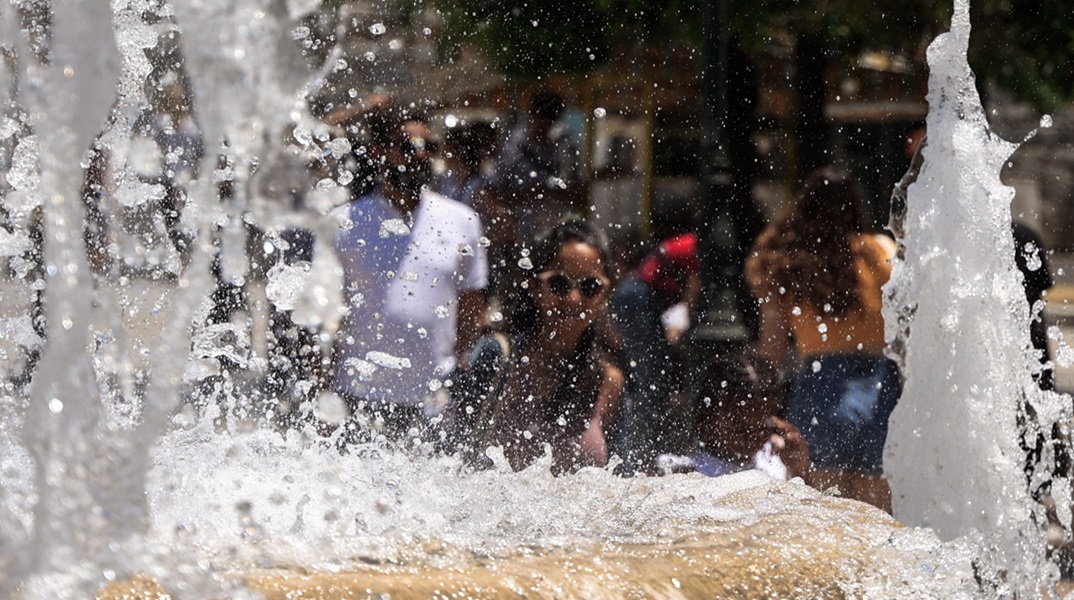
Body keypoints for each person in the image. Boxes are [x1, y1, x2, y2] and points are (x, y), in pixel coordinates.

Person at [329, 103, 488, 444]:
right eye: (408, 147)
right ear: (379, 152)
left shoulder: (462, 221)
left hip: (432, 399)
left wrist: (458, 363)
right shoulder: (344, 223)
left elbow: (473, 301)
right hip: (359, 395)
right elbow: (325, 311)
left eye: (429, 147)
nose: (421, 156)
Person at [744, 165, 899, 512]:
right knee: (876, 512)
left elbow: (772, 349)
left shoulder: (784, 262)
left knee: (818, 508)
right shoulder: (879, 252)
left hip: (819, 387)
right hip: (880, 387)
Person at [451, 220, 623, 475]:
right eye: (559, 285)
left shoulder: (608, 382)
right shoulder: (497, 358)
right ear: (534, 287)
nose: (574, 299)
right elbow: (448, 455)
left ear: (605, 295)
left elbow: (624, 484)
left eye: (590, 287)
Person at [609, 211, 701, 474]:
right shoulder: (696, 245)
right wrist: (691, 323)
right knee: (652, 380)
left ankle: (641, 450)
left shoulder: (682, 244)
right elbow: (694, 287)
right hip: (638, 298)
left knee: (649, 377)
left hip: (632, 295)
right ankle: (644, 456)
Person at [656, 350, 810, 482]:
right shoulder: (679, 473)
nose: (752, 437)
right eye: (741, 428)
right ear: (707, 420)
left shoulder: (777, 467)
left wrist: (799, 471)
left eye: (764, 426)